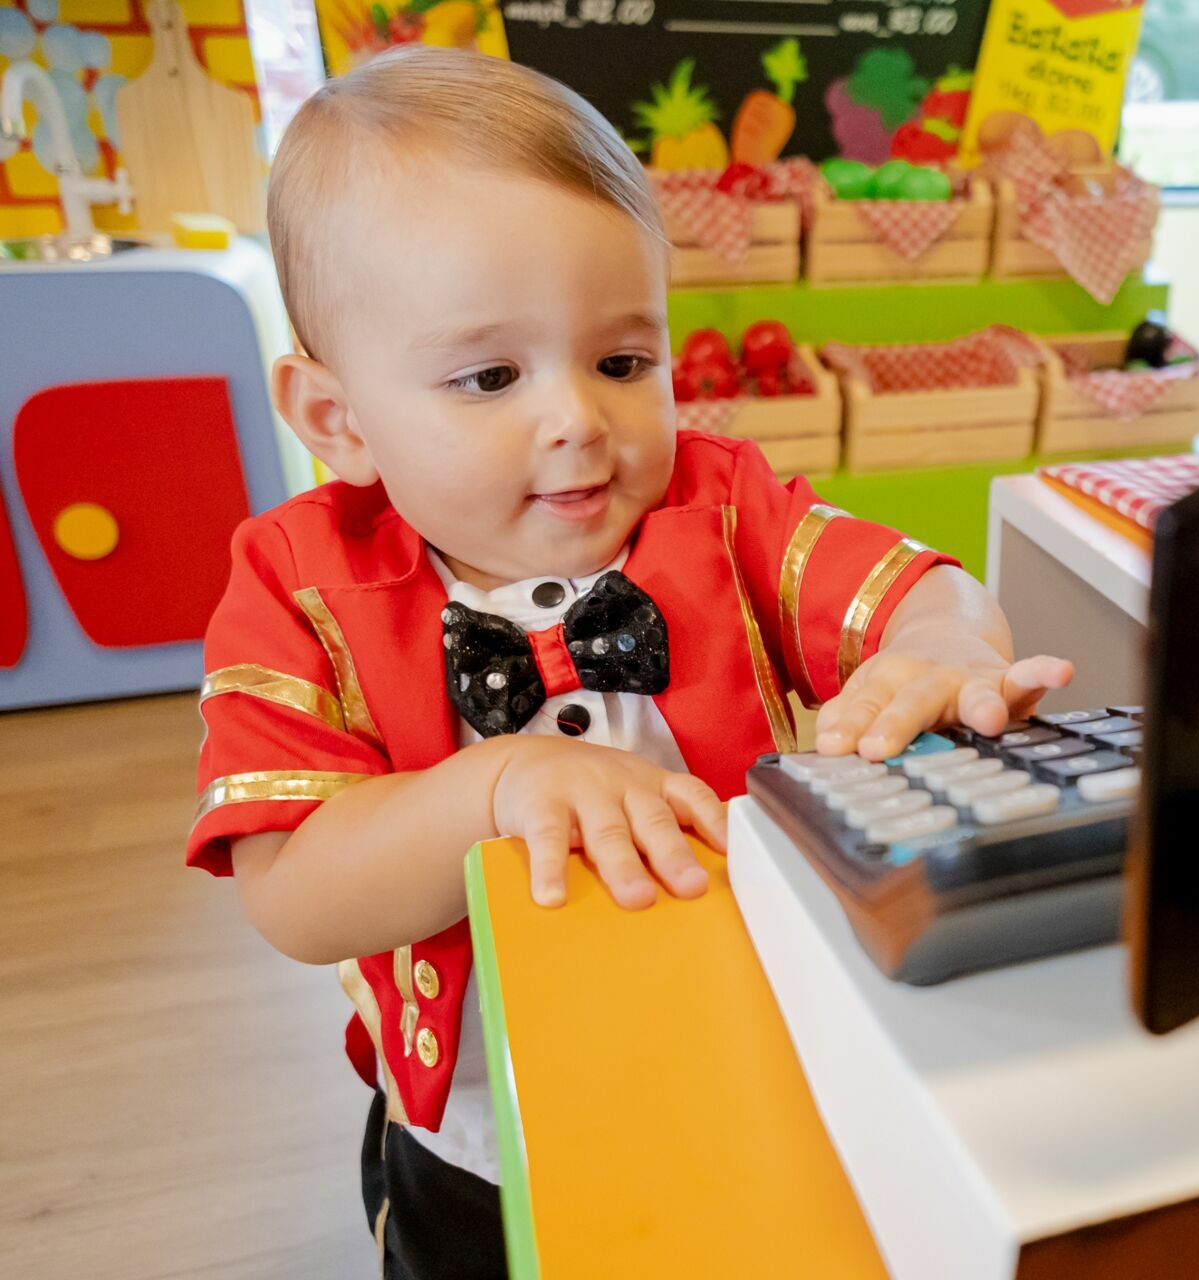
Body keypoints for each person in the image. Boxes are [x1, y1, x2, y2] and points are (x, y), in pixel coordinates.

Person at [186, 46, 1072, 1278]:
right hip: (481, 1141)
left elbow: (928, 586)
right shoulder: (296, 582)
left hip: (751, 1049)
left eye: (622, 360)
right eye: (490, 375)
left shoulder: (721, 502)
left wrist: (940, 647)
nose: (578, 418)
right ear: (337, 419)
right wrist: (490, 787)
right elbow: (292, 891)